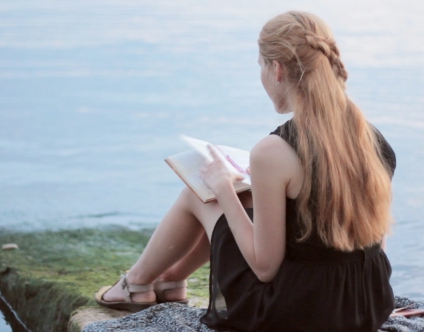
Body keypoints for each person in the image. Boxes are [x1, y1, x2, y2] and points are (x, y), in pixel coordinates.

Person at [95, 11, 397, 332]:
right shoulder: (370, 137)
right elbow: (375, 244)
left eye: (260, 67)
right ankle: (171, 280)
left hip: (299, 312)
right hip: (368, 303)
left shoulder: (273, 151)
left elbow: (265, 268)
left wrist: (224, 188)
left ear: (277, 69)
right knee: (250, 195)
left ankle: (136, 283)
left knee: (200, 196)